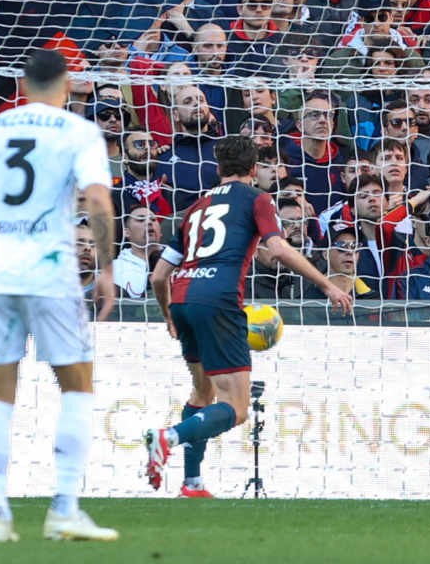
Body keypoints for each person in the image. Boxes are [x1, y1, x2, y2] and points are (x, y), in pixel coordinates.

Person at [0, 48, 119, 542]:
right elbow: (99, 199)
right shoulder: (79, 131)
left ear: (21, 83)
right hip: (51, 271)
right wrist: (105, 266)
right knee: (76, 386)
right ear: (67, 84)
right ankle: (63, 509)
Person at [143, 136, 353, 496]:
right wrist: (327, 285)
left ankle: (192, 482)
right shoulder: (258, 199)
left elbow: (159, 276)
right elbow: (278, 249)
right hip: (219, 300)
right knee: (237, 408)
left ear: (218, 168)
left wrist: (168, 315)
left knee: (202, 391)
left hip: (182, 298)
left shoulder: (195, 209)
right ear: (254, 169)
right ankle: (168, 438)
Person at [114, 206, 163, 298]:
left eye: (153, 220)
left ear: (161, 231)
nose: (149, 222)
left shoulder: (177, 261)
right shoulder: (114, 269)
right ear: (126, 232)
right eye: (141, 220)